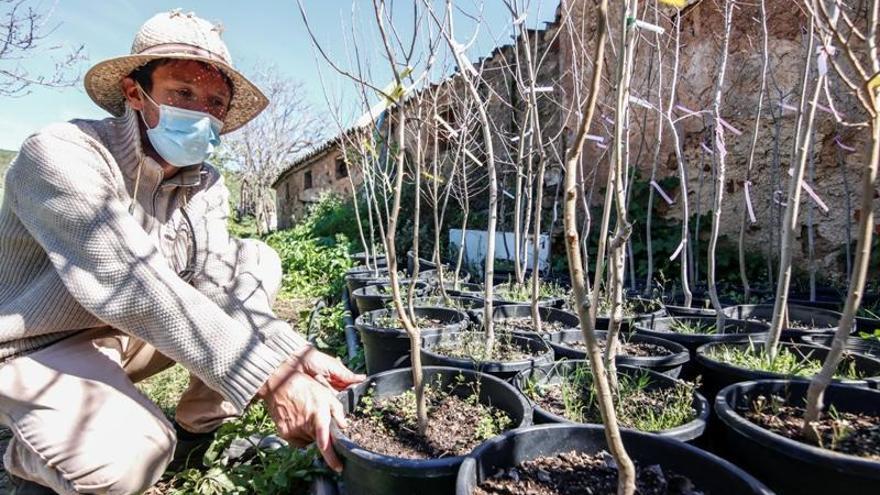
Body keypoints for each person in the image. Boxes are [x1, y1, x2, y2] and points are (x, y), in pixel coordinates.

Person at [0, 10, 363, 494]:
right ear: (135, 93)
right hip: (36, 345)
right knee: (132, 454)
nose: (201, 113)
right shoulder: (61, 154)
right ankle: (31, 461)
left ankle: (196, 432)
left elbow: (218, 285)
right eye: (183, 93)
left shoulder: (204, 184)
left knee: (254, 260)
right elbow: (130, 284)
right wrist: (270, 377)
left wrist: (294, 354)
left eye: (214, 103)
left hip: (126, 333)